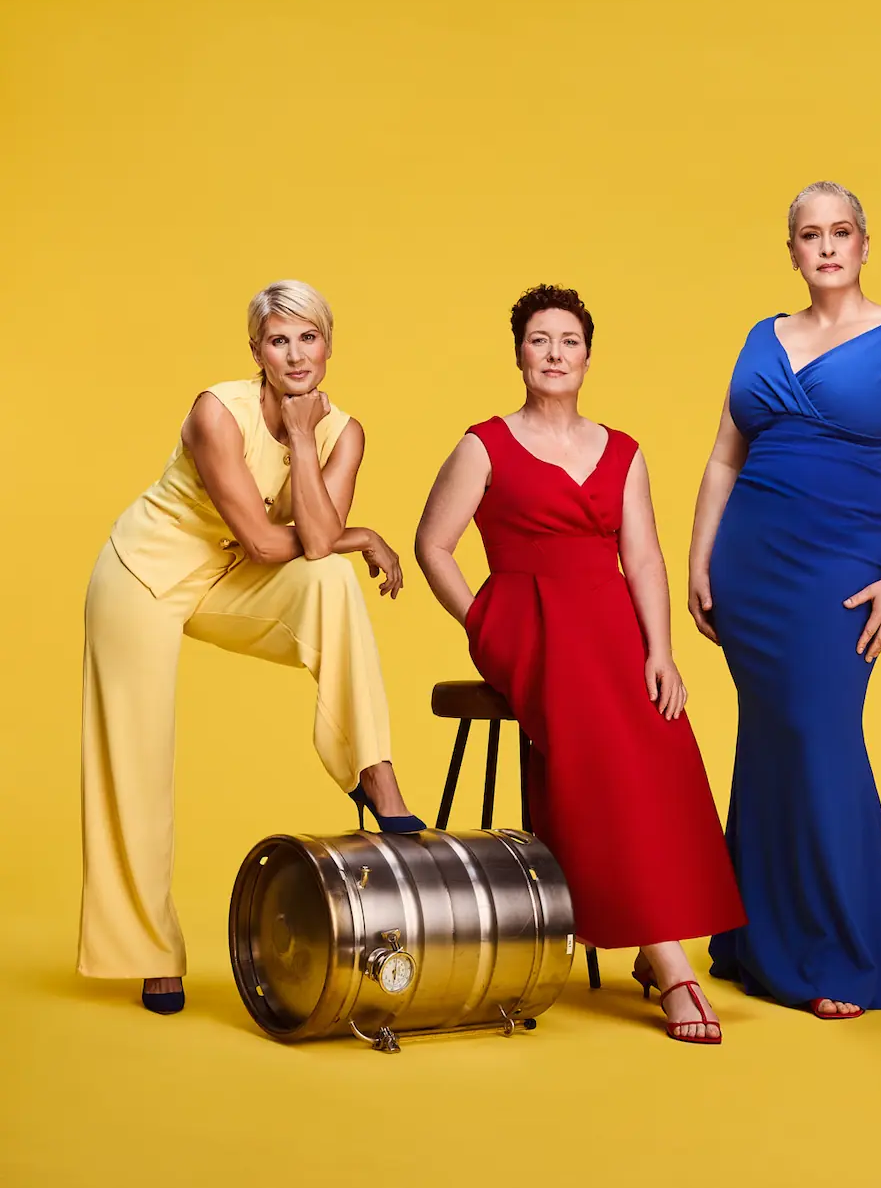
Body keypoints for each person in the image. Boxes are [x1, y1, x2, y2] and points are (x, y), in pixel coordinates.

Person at [414, 284, 744, 1044]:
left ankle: (653, 934)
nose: (555, 354)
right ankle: (672, 963)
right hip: (528, 621)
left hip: (611, 621)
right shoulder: (483, 444)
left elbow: (645, 558)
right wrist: (482, 620)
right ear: (519, 355)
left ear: (588, 357)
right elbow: (433, 544)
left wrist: (660, 650)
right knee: (597, 744)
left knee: (659, 740)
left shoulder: (622, 450)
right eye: (540, 340)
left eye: (568, 341)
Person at [80, 280, 419, 1015]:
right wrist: (360, 533)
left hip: (228, 577)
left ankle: (373, 769)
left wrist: (303, 439)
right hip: (146, 571)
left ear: (329, 344)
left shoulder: (344, 432)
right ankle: (150, 952)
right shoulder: (217, 413)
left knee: (331, 580)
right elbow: (270, 542)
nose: (295, 355)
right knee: (138, 757)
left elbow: (317, 546)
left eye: (308, 338)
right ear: (256, 352)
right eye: (278, 340)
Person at [688, 182, 881, 1017]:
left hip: (844, 559)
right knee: (769, 740)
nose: (828, 246)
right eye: (812, 235)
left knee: (817, 733)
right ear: (794, 251)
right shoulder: (759, 337)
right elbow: (724, 457)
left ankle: (847, 953)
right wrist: (699, 557)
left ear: (865, 243)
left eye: (842, 231)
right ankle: (753, 938)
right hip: (750, 560)